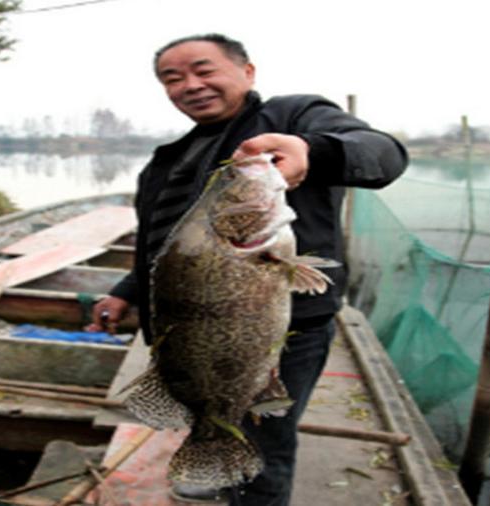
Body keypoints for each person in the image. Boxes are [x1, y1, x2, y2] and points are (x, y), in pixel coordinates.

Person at [88, 33, 408, 505]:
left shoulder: (293, 117)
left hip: (281, 331)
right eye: (172, 79)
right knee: (207, 405)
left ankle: (247, 485)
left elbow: (383, 154)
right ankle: (213, 459)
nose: (190, 85)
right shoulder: (166, 160)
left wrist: (311, 151)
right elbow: (163, 248)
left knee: (264, 441)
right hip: (183, 333)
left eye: (204, 69)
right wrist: (125, 290)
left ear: (248, 72)